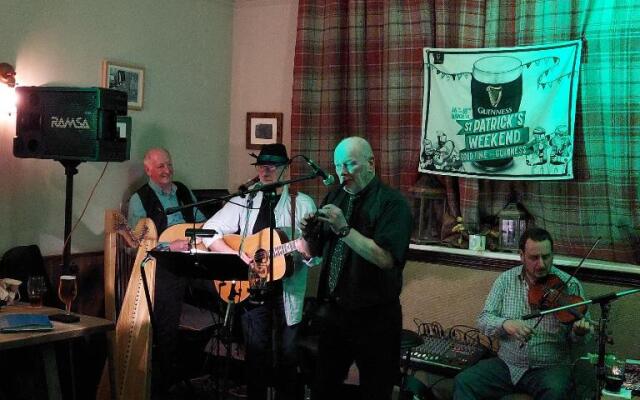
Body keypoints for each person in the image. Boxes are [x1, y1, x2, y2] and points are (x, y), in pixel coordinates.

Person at [299, 136, 413, 400]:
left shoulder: (392, 204)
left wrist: (344, 229)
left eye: (350, 164)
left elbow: (386, 259)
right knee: (323, 388)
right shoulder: (335, 196)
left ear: (371, 163)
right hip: (334, 314)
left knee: (376, 390)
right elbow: (312, 253)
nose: (343, 172)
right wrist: (308, 234)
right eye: (338, 166)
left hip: (375, 317)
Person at [201, 143, 317, 400]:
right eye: (262, 166)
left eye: (272, 167)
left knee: (287, 359)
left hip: (288, 294)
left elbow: (314, 256)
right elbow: (209, 231)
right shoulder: (245, 199)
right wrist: (234, 255)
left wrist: (307, 249)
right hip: (251, 290)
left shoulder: (303, 204)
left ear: (286, 169)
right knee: (255, 360)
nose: (265, 171)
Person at [453, 227, 592, 400]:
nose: (541, 264)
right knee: (465, 382)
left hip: (550, 368)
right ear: (521, 255)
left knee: (556, 393)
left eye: (546, 256)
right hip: (507, 365)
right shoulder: (505, 280)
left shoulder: (570, 285)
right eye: (534, 258)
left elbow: (582, 340)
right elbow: (483, 320)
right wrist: (506, 324)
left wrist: (578, 333)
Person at [127, 147, 209, 395]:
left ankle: (203, 363)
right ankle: (165, 381)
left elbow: (202, 220)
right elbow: (137, 242)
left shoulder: (182, 191)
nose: (167, 171)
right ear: (148, 169)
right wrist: (169, 245)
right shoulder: (139, 199)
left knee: (226, 289)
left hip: (193, 258)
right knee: (167, 320)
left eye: (169, 165)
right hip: (162, 266)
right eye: (161, 166)